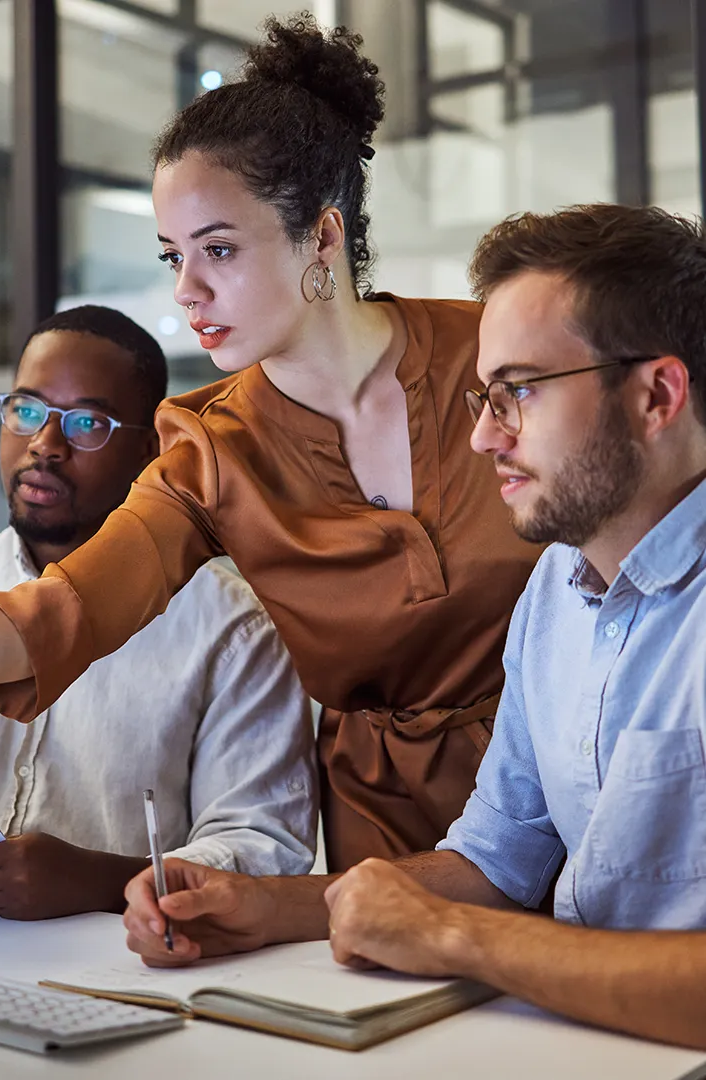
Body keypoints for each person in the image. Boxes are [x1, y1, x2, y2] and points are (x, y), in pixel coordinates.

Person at [0, 15, 539, 924]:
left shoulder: (494, 356)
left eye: (218, 249)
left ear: (322, 237)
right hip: (378, 841)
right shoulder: (210, 444)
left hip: (567, 786)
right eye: (174, 256)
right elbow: (55, 615)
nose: (187, 290)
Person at [130, 204, 706, 1050]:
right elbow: (496, 859)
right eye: (483, 396)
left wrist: (452, 938)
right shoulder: (555, 591)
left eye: (519, 394)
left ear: (656, 394)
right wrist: (261, 908)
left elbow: (472, 918)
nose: (482, 436)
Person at [0, 305, 316, 920]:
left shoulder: (234, 631)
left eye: (87, 423)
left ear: (149, 450)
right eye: (26, 410)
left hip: (123, 964)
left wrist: (101, 881)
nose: (45, 445)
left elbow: (265, 848)